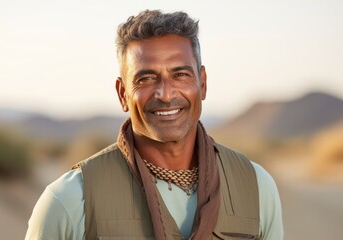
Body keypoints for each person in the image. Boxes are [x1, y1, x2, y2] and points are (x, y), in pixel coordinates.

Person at [25, 10, 283, 240]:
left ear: (202, 83)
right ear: (122, 93)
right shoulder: (70, 199)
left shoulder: (256, 187)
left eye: (180, 75)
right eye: (146, 79)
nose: (166, 94)